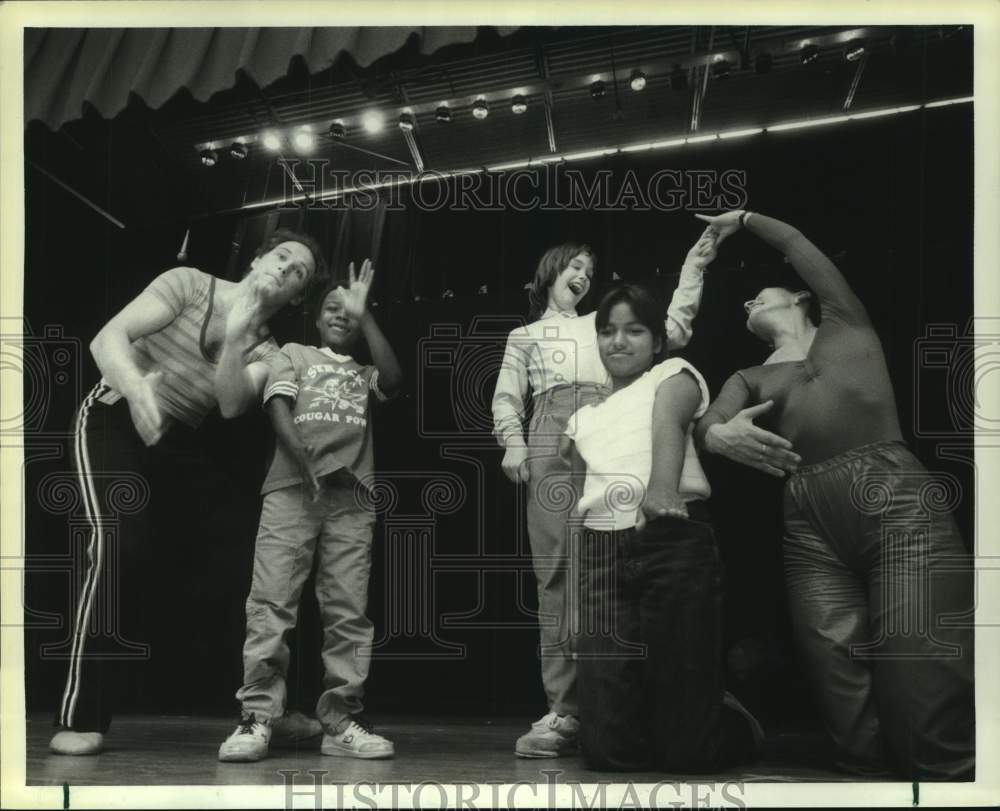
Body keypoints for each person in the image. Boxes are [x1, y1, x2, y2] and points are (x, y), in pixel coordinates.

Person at [693, 210, 974, 780]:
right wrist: (718, 435)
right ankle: (865, 779)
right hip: (809, 523)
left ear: (799, 297)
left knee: (919, 669)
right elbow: (709, 423)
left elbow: (798, 243)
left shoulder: (846, 321)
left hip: (895, 499)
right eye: (743, 305)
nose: (747, 305)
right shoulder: (748, 376)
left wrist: (745, 220)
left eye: (759, 296)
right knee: (834, 670)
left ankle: (945, 779)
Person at [50, 229, 329, 756]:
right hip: (112, 416)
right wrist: (136, 390)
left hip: (177, 441)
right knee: (118, 544)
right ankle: (83, 714)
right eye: (283, 256)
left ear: (296, 296)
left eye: (300, 274)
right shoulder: (190, 285)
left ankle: (264, 707)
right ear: (258, 259)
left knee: (248, 561)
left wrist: (236, 337)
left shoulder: (269, 349)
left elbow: (229, 404)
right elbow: (107, 338)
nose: (288, 269)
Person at [491, 229, 717, 757]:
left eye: (590, 272)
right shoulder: (524, 336)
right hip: (549, 429)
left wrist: (694, 267)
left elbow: (672, 329)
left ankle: (628, 704)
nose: (583, 277)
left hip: (611, 422)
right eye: (575, 266)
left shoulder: (603, 327)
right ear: (551, 271)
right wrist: (514, 444)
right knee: (555, 573)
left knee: (612, 564)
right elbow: (506, 397)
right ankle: (565, 710)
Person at [563, 284, 762, 772]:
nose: (618, 341)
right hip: (600, 551)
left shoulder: (674, 373)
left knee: (691, 755)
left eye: (634, 330)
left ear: (657, 341)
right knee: (607, 752)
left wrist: (662, 489)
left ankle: (727, 716)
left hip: (671, 536)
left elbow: (667, 426)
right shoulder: (582, 417)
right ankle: (676, 717)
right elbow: (578, 487)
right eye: (607, 331)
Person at [216, 260, 402, 762]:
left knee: (348, 610)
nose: (341, 315)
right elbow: (277, 406)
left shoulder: (365, 372)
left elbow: (395, 379)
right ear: (317, 319)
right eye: (332, 308)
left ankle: (342, 720)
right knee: (272, 602)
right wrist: (306, 462)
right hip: (292, 489)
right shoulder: (293, 354)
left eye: (350, 311)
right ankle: (257, 718)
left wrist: (368, 318)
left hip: (353, 499)